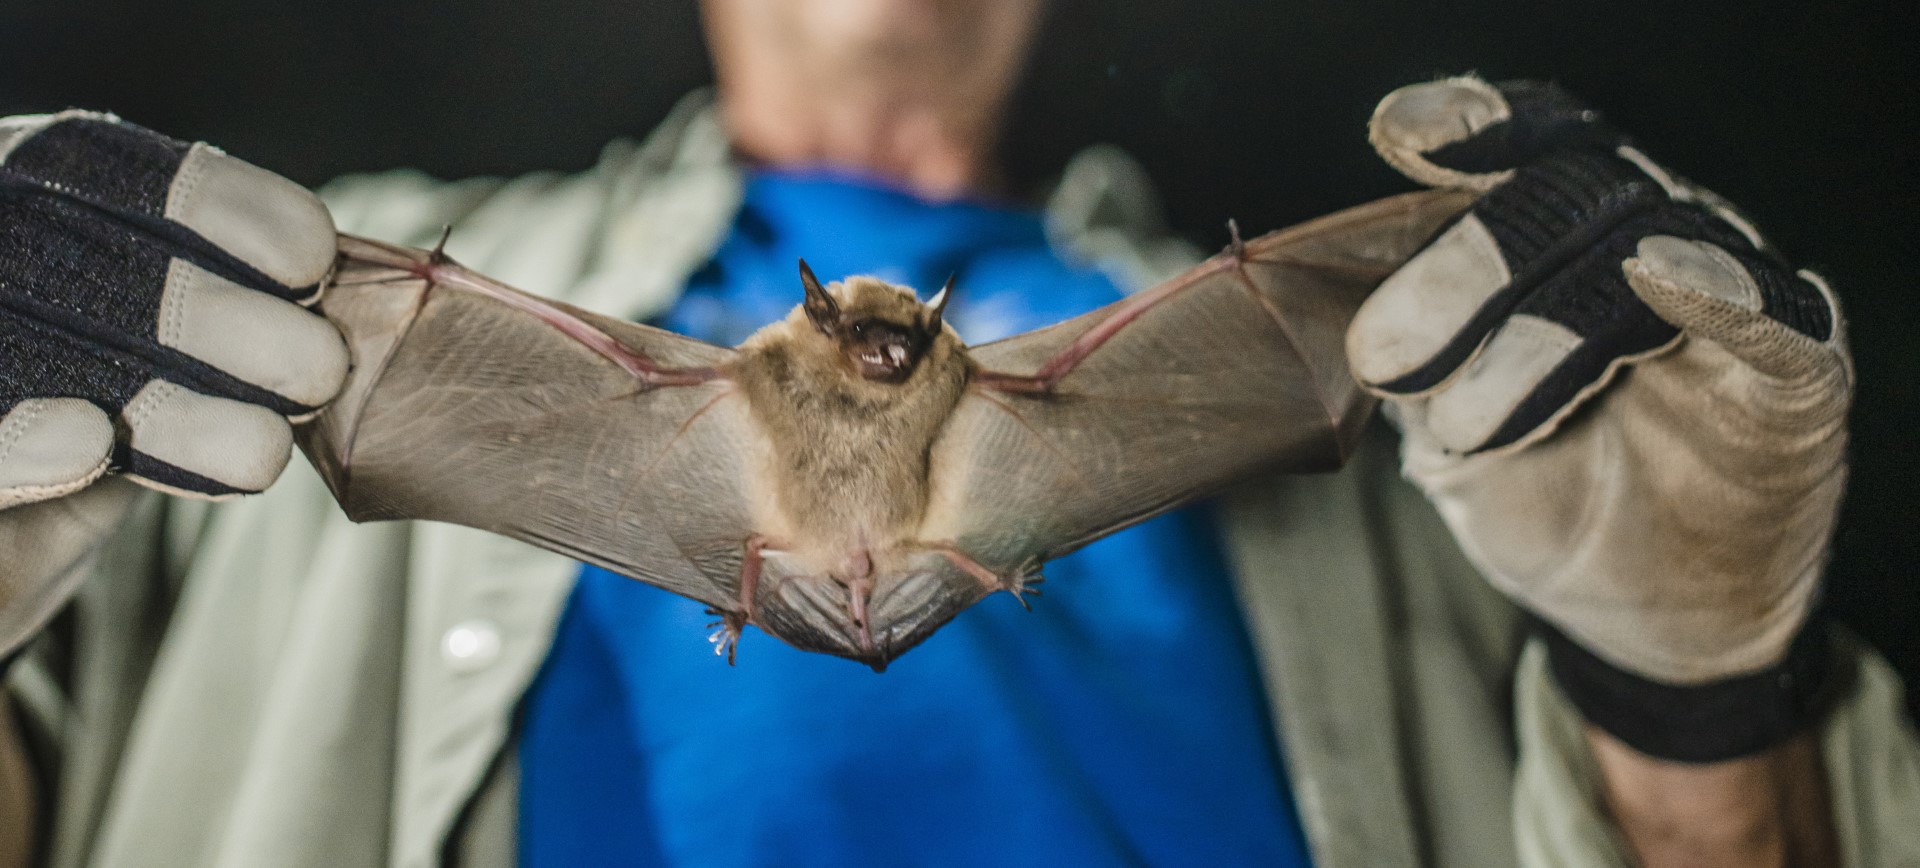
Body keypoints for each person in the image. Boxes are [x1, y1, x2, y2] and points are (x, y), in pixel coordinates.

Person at [0, 1, 1914, 866]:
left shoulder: (1442, 392)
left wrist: (1695, 718)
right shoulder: (265, 304)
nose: (886, 344)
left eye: (905, 334)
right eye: (859, 325)